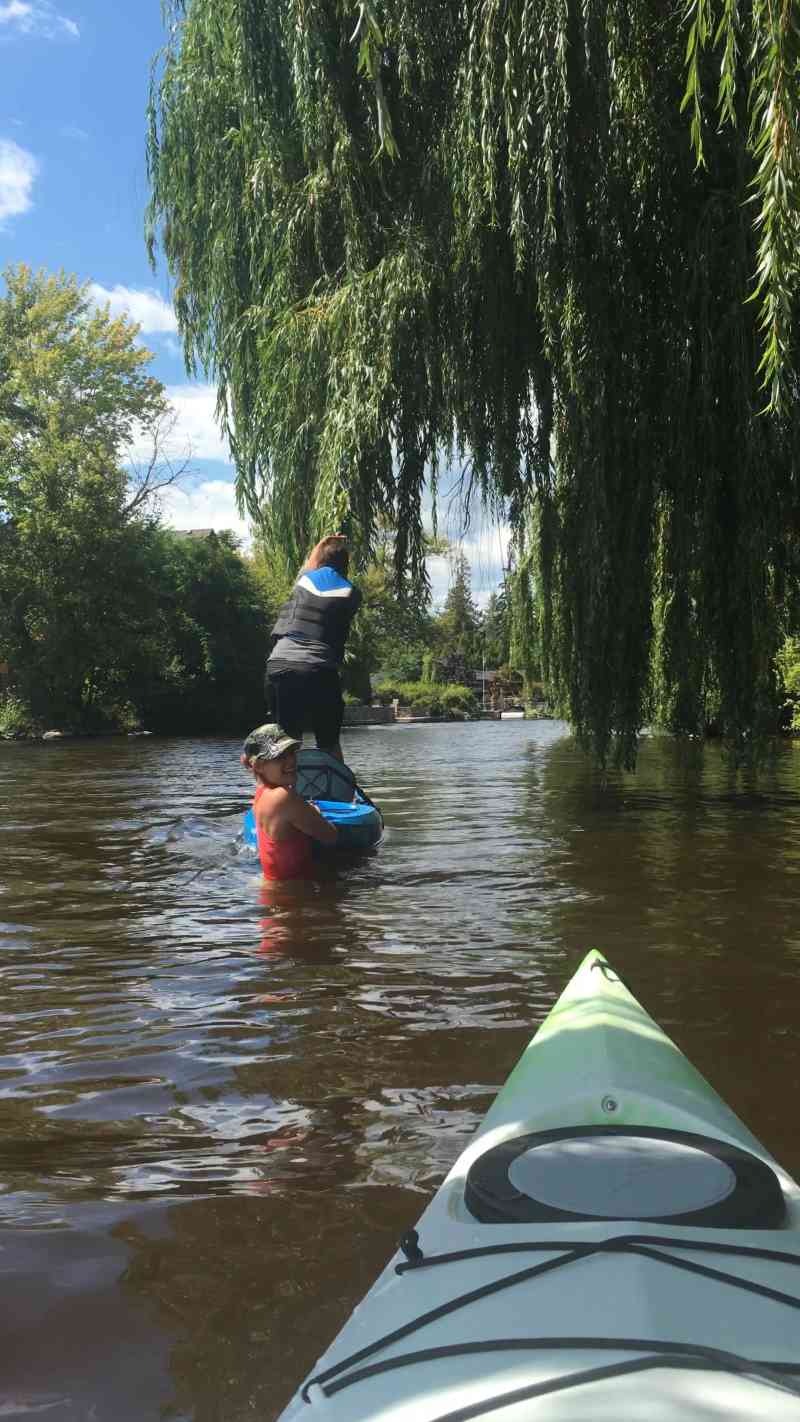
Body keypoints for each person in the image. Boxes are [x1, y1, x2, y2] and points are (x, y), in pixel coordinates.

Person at [265, 534, 362, 760]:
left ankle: (284, 790)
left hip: (279, 664)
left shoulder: (304, 579)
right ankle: (335, 790)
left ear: (320, 562)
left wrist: (323, 541)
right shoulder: (353, 593)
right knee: (328, 742)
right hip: (318, 668)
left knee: (287, 741)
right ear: (345, 567)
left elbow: (311, 561)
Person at [241, 723, 337, 880]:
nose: (291, 761)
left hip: (273, 891)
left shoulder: (261, 793)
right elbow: (330, 835)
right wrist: (315, 813)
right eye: (279, 757)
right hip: (293, 897)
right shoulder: (283, 797)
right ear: (258, 766)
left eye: (291, 752)